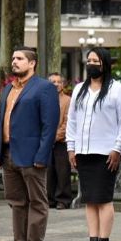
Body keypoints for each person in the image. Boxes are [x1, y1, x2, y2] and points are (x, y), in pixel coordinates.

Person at [0, 46, 59, 241]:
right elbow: (0, 122)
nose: (15, 62)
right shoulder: (8, 89)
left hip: (31, 155)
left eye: (20, 58)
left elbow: (50, 125)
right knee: (16, 201)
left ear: (32, 63)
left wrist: (42, 155)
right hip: (9, 152)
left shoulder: (44, 88)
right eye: (13, 58)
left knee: (37, 201)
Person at [67, 47, 121, 241]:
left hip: (106, 153)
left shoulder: (117, 89)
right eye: (89, 60)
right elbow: (72, 120)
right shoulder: (79, 90)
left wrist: (118, 148)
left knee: (103, 199)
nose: (91, 64)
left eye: (96, 60)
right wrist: (71, 148)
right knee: (90, 200)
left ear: (105, 64)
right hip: (83, 152)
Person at [47, 72, 73, 210]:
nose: (56, 84)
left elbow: (67, 123)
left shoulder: (68, 100)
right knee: (48, 172)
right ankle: (49, 199)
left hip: (61, 143)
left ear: (63, 84)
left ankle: (63, 200)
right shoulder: (43, 99)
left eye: (59, 82)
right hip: (46, 143)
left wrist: (53, 137)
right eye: (53, 82)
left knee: (62, 172)